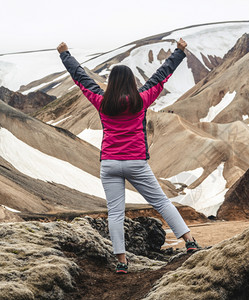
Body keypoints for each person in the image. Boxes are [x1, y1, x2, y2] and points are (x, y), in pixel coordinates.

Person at [57, 39, 200, 274]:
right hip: (136, 163)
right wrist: (179, 52)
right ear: (131, 83)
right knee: (162, 202)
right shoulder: (141, 100)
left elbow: (81, 79)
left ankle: (122, 262)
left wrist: (65, 55)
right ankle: (190, 241)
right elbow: (161, 75)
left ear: (111, 84)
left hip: (110, 163)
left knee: (115, 212)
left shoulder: (102, 102)